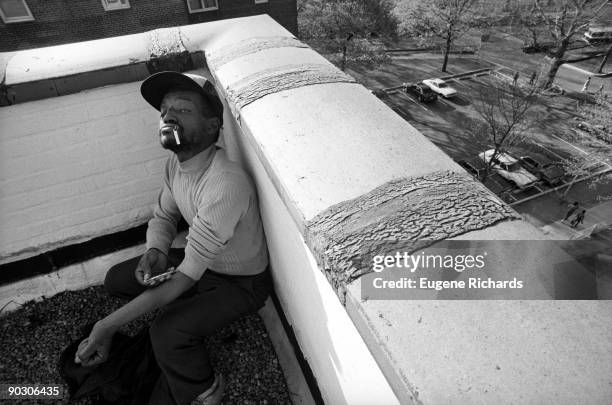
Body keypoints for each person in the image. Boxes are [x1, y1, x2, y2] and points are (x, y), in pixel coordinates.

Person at [74, 71, 271, 405]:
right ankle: (183, 306)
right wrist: (157, 250)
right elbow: (164, 216)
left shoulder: (225, 182)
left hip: (241, 283)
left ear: (212, 127)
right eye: (165, 110)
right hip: (202, 265)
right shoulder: (175, 165)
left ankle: (202, 391)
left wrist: (105, 327)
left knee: (165, 331)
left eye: (183, 110)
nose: (168, 116)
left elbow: (185, 276)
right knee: (117, 279)